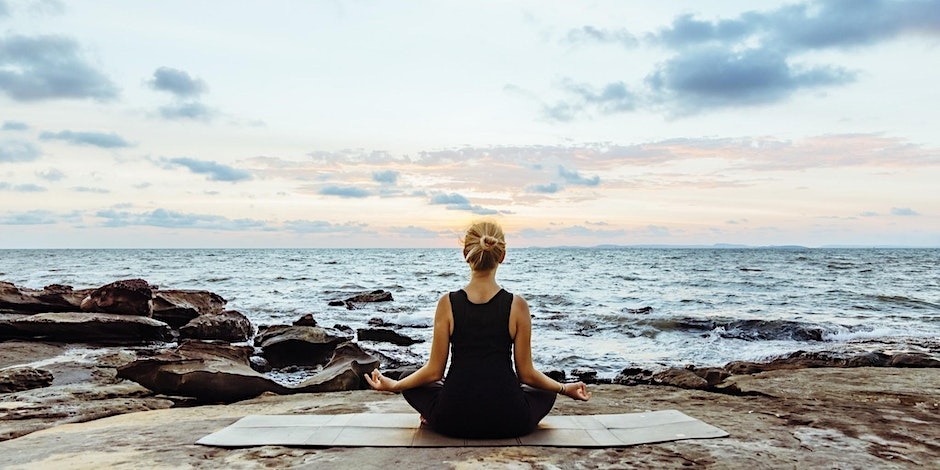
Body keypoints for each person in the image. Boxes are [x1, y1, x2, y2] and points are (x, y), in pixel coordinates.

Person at [364, 220, 591, 439]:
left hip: (452, 419)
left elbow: (434, 371)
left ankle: (431, 416)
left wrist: (395, 385)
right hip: (511, 420)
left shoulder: (447, 303)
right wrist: (564, 388)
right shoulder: (517, 305)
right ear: (502, 256)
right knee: (546, 387)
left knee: (408, 376)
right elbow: (527, 374)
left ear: (465, 255)